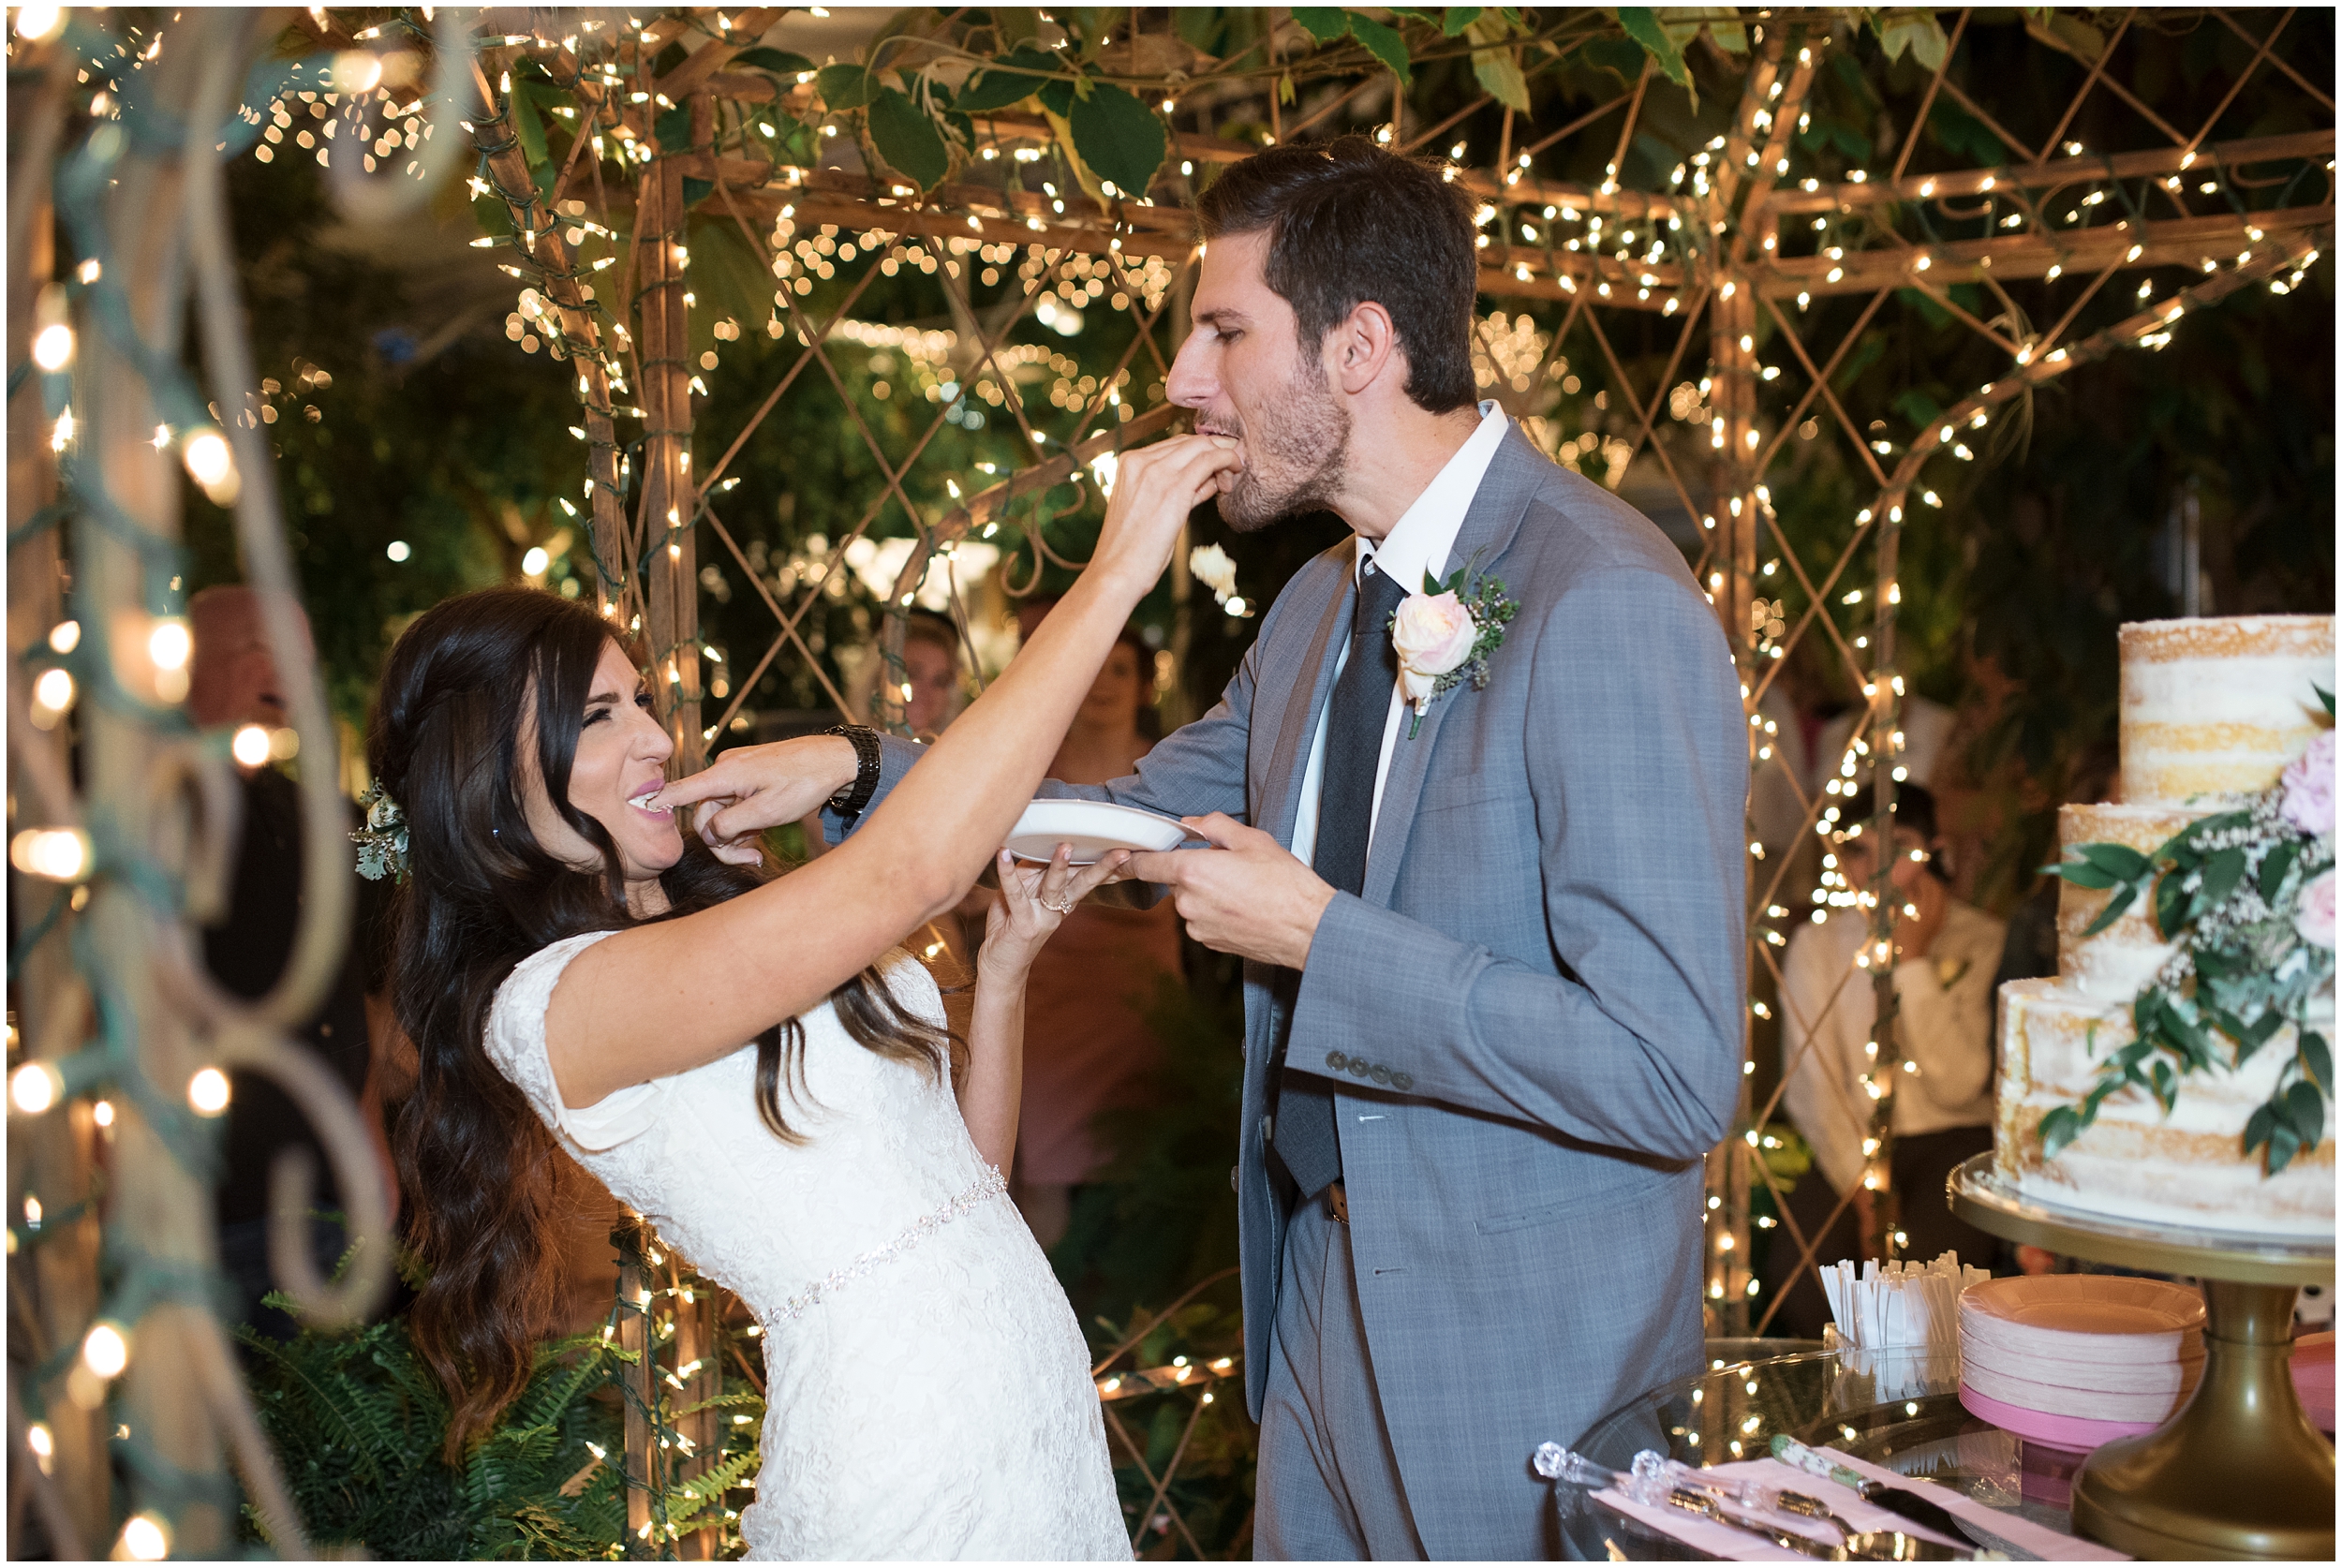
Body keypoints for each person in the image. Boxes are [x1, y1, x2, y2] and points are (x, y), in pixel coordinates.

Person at [664, 137, 1748, 1560]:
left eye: (1225, 330)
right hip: (1312, 1300)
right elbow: (1112, 811)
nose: (1182, 378)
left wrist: (1320, 942)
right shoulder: (1313, 609)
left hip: (1525, 1364)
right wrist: (854, 764)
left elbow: (1672, 1073)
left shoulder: (1600, 596)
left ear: (1359, 346)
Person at [373, 429, 1233, 1560]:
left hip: (1024, 1419)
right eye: (598, 717)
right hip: (894, 1450)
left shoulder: (712, 908)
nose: (651, 739)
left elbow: (961, 1188)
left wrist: (1008, 972)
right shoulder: (554, 1006)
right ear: (489, 787)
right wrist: (1114, 571)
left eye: (640, 700)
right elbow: (911, 870)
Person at [186, 585, 384, 1339]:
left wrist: (370, 1137)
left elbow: (390, 903)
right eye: (261, 650)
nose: (287, 675)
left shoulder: (329, 814)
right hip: (207, 1215)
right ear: (184, 665)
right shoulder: (112, 806)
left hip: (334, 1199)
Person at [1769, 782, 2006, 1337]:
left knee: (1929, 1301)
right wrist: (1861, 1183)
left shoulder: (1980, 939)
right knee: (1802, 1287)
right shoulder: (1818, 945)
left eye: (1898, 847)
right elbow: (1810, 1082)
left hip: (1951, 1137)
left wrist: (1915, 961)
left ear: (1935, 849)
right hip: (1844, 1140)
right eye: (1858, 850)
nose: (1876, 868)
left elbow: (1960, 1084)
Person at [1006, 610, 1182, 1246]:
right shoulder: (1031, 767)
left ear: (1143, 684)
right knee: (1041, 1178)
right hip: (1053, 1001)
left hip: (1140, 1004)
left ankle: (1138, 1328)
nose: (1105, 683)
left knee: (1143, 1179)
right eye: (1096, 668)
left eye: (1122, 669)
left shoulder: (1172, 769)